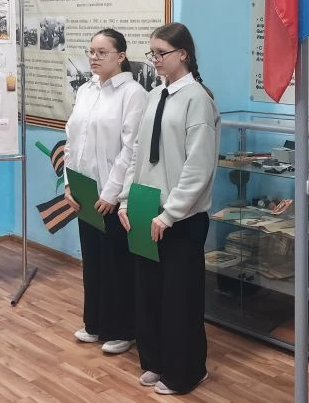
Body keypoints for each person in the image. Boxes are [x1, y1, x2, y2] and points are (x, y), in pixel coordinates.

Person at [118, 22, 220, 396]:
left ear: (183, 54)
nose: (155, 60)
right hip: (146, 208)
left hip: (182, 217)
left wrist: (170, 213)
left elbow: (198, 166)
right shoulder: (154, 95)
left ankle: (186, 371)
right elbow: (137, 153)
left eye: (161, 53)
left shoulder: (198, 99)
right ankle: (156, 361)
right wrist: (126, 199)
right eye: (152, 53)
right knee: (149, 293)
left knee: (180, 299)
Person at [64, 28, 149, 355]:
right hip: (85, 191)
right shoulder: (86, 90)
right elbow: (73, 139)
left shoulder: (132, 93)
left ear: (121, 56)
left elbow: (131, 149)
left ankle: (123, 329)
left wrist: (112, 194)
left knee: (118, 265)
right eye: (91, 52)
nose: (94, 58)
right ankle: (95, 323)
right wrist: (70, 183)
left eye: (102, 52)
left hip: (112, 196)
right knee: (93, 261)